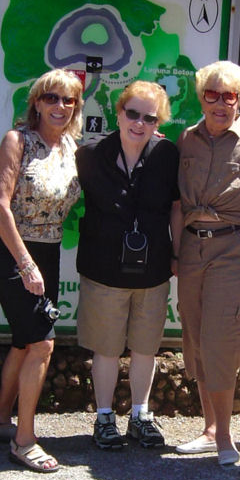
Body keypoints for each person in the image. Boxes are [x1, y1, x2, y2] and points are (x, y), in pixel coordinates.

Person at [171, 60, 240, 466]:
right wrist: (175, 253)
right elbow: (176, 203)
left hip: (235, 252)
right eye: (212, 95)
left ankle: (224, 436)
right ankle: (209, 429)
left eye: (230, 96)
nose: (221, 103)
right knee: (197, 339)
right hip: (191, 251)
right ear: (201, 98)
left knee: (221, 341)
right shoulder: (187, 140)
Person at [0, 69, 83, 472]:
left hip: (48, 248)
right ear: (37, 102)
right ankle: (24, 441)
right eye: (52, 98)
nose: (60, 106)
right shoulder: (17, 140)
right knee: (42, 344)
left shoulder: (71, 147)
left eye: (69, 100)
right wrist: (25, 264)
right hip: (9, 247)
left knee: (26, 341)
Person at [75, 81, 179, 449]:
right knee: (105, 348)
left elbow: (177, 207)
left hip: (152, 269)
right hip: (103, 268)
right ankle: (104, 418)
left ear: (158, 122)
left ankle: (140, 416)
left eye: (149, 117)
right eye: (132, 113)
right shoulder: (90, 156)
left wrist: (178, 254)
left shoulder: (167, 155)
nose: (139, 123)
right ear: (118, 113)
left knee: (145, 348)